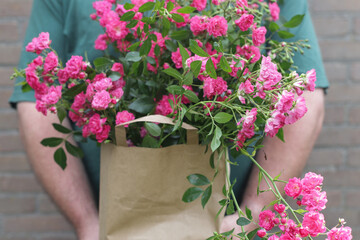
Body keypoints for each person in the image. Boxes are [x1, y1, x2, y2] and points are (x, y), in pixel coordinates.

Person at [9, 0, 328, 239]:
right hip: (115, 226)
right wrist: (89, 223)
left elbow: (305, 94)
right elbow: (37, 103)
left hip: (228, 227)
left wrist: (252, 213)